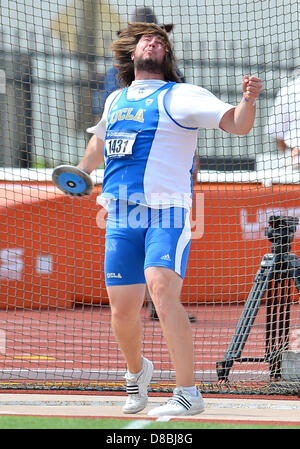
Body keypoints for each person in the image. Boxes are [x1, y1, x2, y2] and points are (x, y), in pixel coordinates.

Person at [78, 22, 262, 416]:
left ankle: (187, 392)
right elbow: (99, 139)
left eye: (161, 40)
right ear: (133, 53)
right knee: (123, 311)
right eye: (148, 38)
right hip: (120, 215)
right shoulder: (116, 99)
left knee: (161, 292)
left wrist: (248, 100)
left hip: (167, 212)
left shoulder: (181, 95)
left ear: (167, 56)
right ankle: (137, 373)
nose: (154, 41)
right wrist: (81, 171)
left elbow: (238, 125)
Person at [267, 73, 300, 170]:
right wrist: (288, 155)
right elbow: (278, 132)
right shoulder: (289, 90)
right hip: (296, 158)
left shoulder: (289, 89)